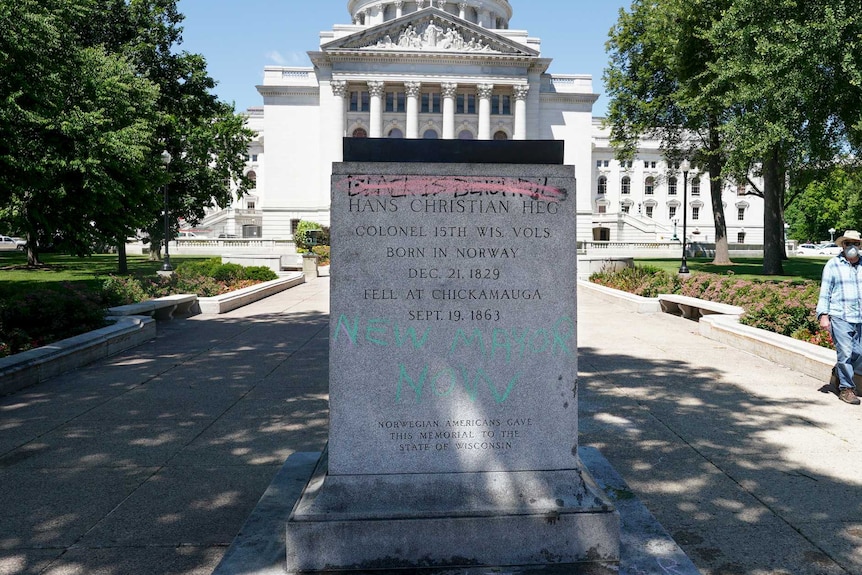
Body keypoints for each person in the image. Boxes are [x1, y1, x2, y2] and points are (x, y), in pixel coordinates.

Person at [817, 229, 862, 404]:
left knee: (858, 353)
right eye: (848, 243)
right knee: (845, 352)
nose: (852, 247)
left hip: (859, 317)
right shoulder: (833, 265)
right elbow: (825, 291)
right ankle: (846, 389)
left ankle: (838, 373)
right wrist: (823, 315)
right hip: (840, 315)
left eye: (855, 243)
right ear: (843, 245)